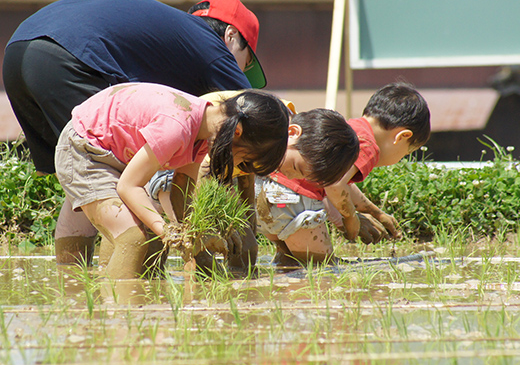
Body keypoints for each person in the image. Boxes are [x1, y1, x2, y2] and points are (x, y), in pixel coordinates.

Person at [2, 0, 267, 263]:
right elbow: (254, 129)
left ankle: (71, 284)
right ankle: (117, 286)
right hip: (67, 56)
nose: (240, 74)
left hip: (18, 51)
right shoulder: (215, 51)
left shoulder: (174, 42)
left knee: (88, 180)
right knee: (123, 205)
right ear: (231, 36)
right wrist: (246, 231)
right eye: (245, 63)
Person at [54, 82, 290, 279]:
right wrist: (168, 232)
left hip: (114, 154)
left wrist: (200, 236)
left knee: (146, 239)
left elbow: (182, 193)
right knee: (132, 238)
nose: (241, 168)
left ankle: (124, 304)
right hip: (84, 148)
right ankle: (116, 322)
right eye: (246, 160)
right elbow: (128, 186)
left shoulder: (202, 128)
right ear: (237, 132)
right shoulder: (177, 127)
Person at [149, 101, 361, 274]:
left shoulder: (270, 143)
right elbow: (199, 176)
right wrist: (215, 230)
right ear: (293, 131)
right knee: (206, 255)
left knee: (245, 248)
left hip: (198, 174)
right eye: (296, 167)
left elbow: (245, 178)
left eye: (301, 176)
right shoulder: (265, 130)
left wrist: (247, 222)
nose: (289, 175)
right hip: (172, 168)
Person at [256, 82, 431, 265]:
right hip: (292, 199)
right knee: (321, 268)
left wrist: (375, 212)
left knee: (289, 263)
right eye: (406, 153)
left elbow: (341, 183)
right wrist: (350, 218)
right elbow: (335, 184)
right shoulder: (368, 145)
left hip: (265, 191)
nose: (401, 158)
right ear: (402, 137)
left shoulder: (350, 128)